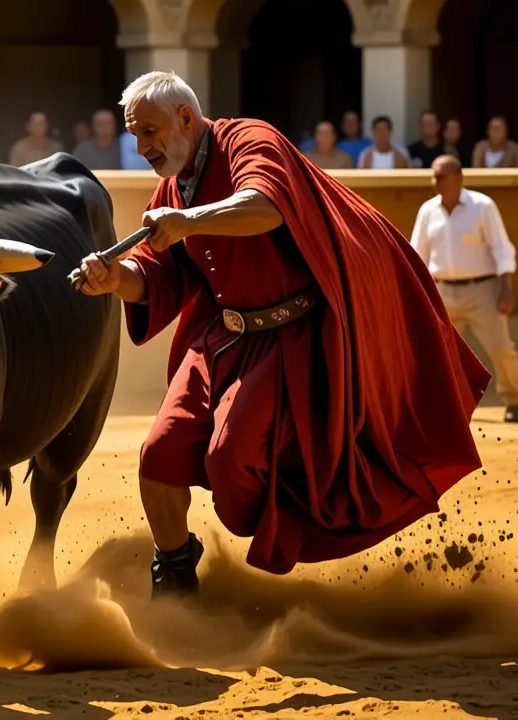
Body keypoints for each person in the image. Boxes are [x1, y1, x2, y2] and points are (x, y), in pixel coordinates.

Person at [75, 71, 489, 594]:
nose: (142, 147)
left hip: (292, 343)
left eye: (150, 131)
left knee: (231, 472)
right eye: (136, 135)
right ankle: (175, 573)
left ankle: (294, 514)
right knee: (158, 457)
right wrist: (117, 279)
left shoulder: (251, 139)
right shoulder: (175, 184)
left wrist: (189, 219)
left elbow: (268, 205)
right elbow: (162, 276)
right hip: (222, 341)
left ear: (185, 117)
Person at [410, 156, 518, 423]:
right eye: (433, 176)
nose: (434, 182)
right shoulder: (427, 211)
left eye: (441, 176)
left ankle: (514, 399)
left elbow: (501, 248)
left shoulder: (483, 206)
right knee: (436, 353)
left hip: (482, 290)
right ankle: (442, 407)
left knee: (500, 348)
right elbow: (418, 255)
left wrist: (505, 288)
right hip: (442, 292)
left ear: (458, 178)